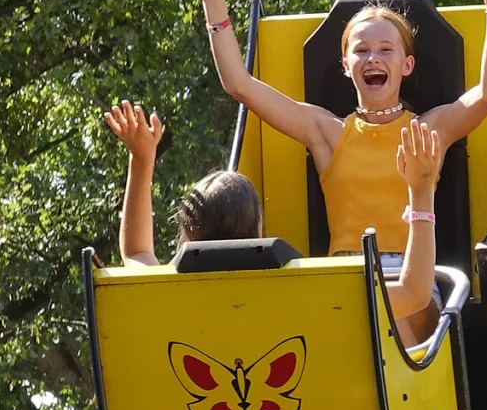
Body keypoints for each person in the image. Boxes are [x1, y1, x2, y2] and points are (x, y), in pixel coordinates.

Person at [180, 0, 487, 265]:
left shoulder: (427, 131)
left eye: (386, 50)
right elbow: (239, 84)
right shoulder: (328, 133)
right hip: (346, 273)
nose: (373, 59)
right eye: (362, 51)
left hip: (412, 273)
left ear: (406, 64)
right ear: (346, 65)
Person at [103, 101, 443, 339]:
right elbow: (413, 294)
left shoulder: (170, 294)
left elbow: (135, 252)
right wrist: (421, 191)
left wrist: (141, 159)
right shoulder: (299, 293)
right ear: (258, 230)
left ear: (188, 233)